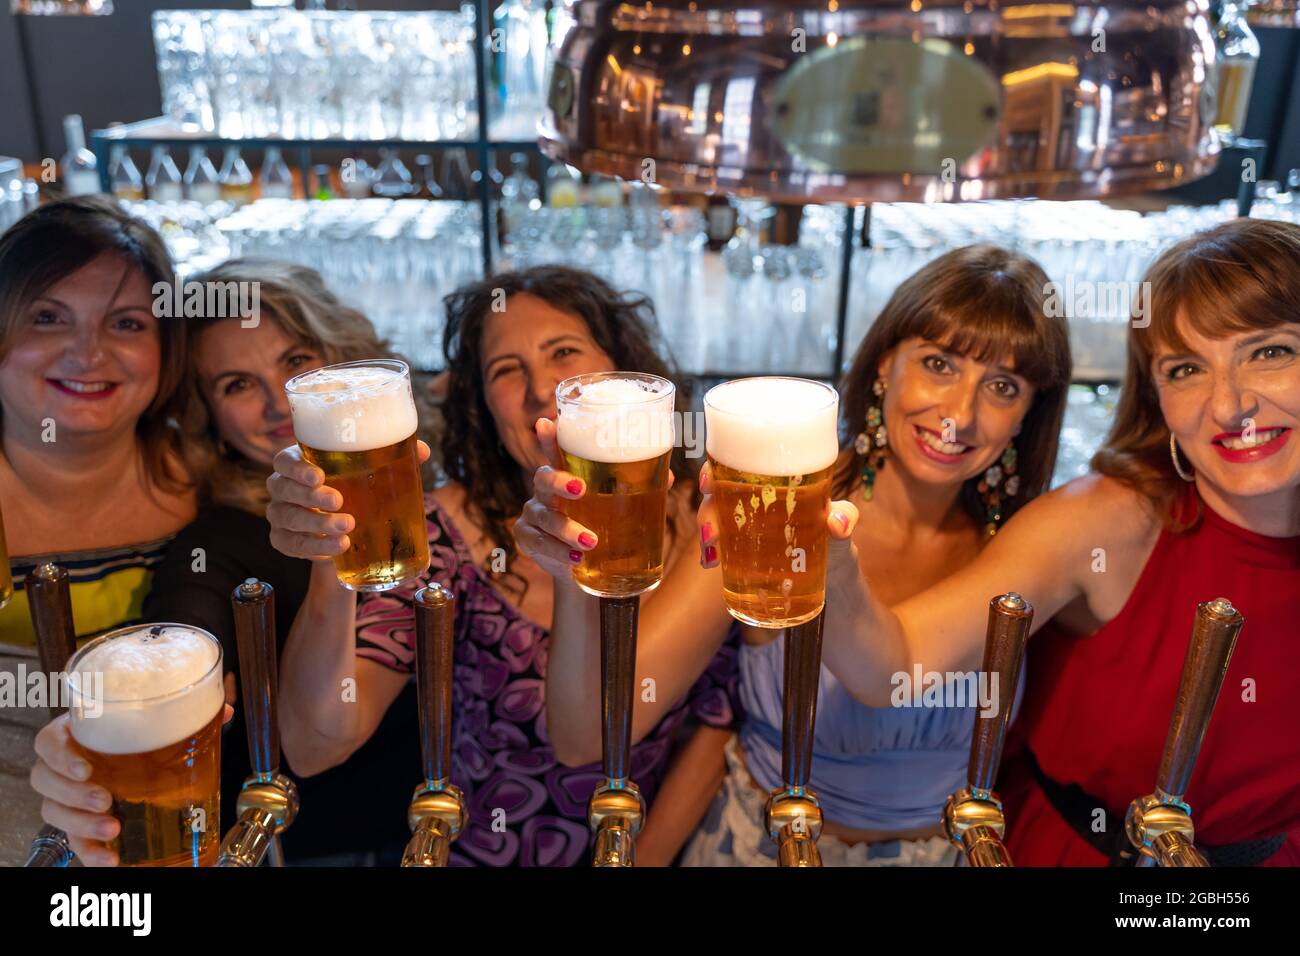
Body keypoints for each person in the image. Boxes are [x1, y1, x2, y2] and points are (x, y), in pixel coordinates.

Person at [813, 218, 1300, 866]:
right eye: (1186, 369)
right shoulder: (1103, 521)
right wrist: (829, 558)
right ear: (1156, 397)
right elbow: (894, 667)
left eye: (1269, 352)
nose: (1229, 405)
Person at [264, 265, 739, 866]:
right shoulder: (440, 535)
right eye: (507, 370)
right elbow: (313, 745)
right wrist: (330, 551)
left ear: (627, 374)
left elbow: (713, 729)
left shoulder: (704, 520)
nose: (542, 389)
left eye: (564, 352)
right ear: (481, 405)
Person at [658, 244, 1069, 865]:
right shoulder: (780, 497)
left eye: (1003, 387)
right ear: (884, 366)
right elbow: (608, 718)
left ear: (1027, 416)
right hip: (758, 849)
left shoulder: (1023, 545)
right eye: (938, 363)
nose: (960, 414)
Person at [27, 258, 438, 865]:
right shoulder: (218, 543)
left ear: (342, 355)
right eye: (237, 385)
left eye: (296, 362)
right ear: (207, 415)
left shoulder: (417, 470)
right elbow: (179, 636)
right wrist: (82, 749)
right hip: (336, 848)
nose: (280, 404)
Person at [0, 196, 194, 647]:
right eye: (47, 318)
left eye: (126, 324)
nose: (88, 354)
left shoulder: (216, 477)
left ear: (167, 350)